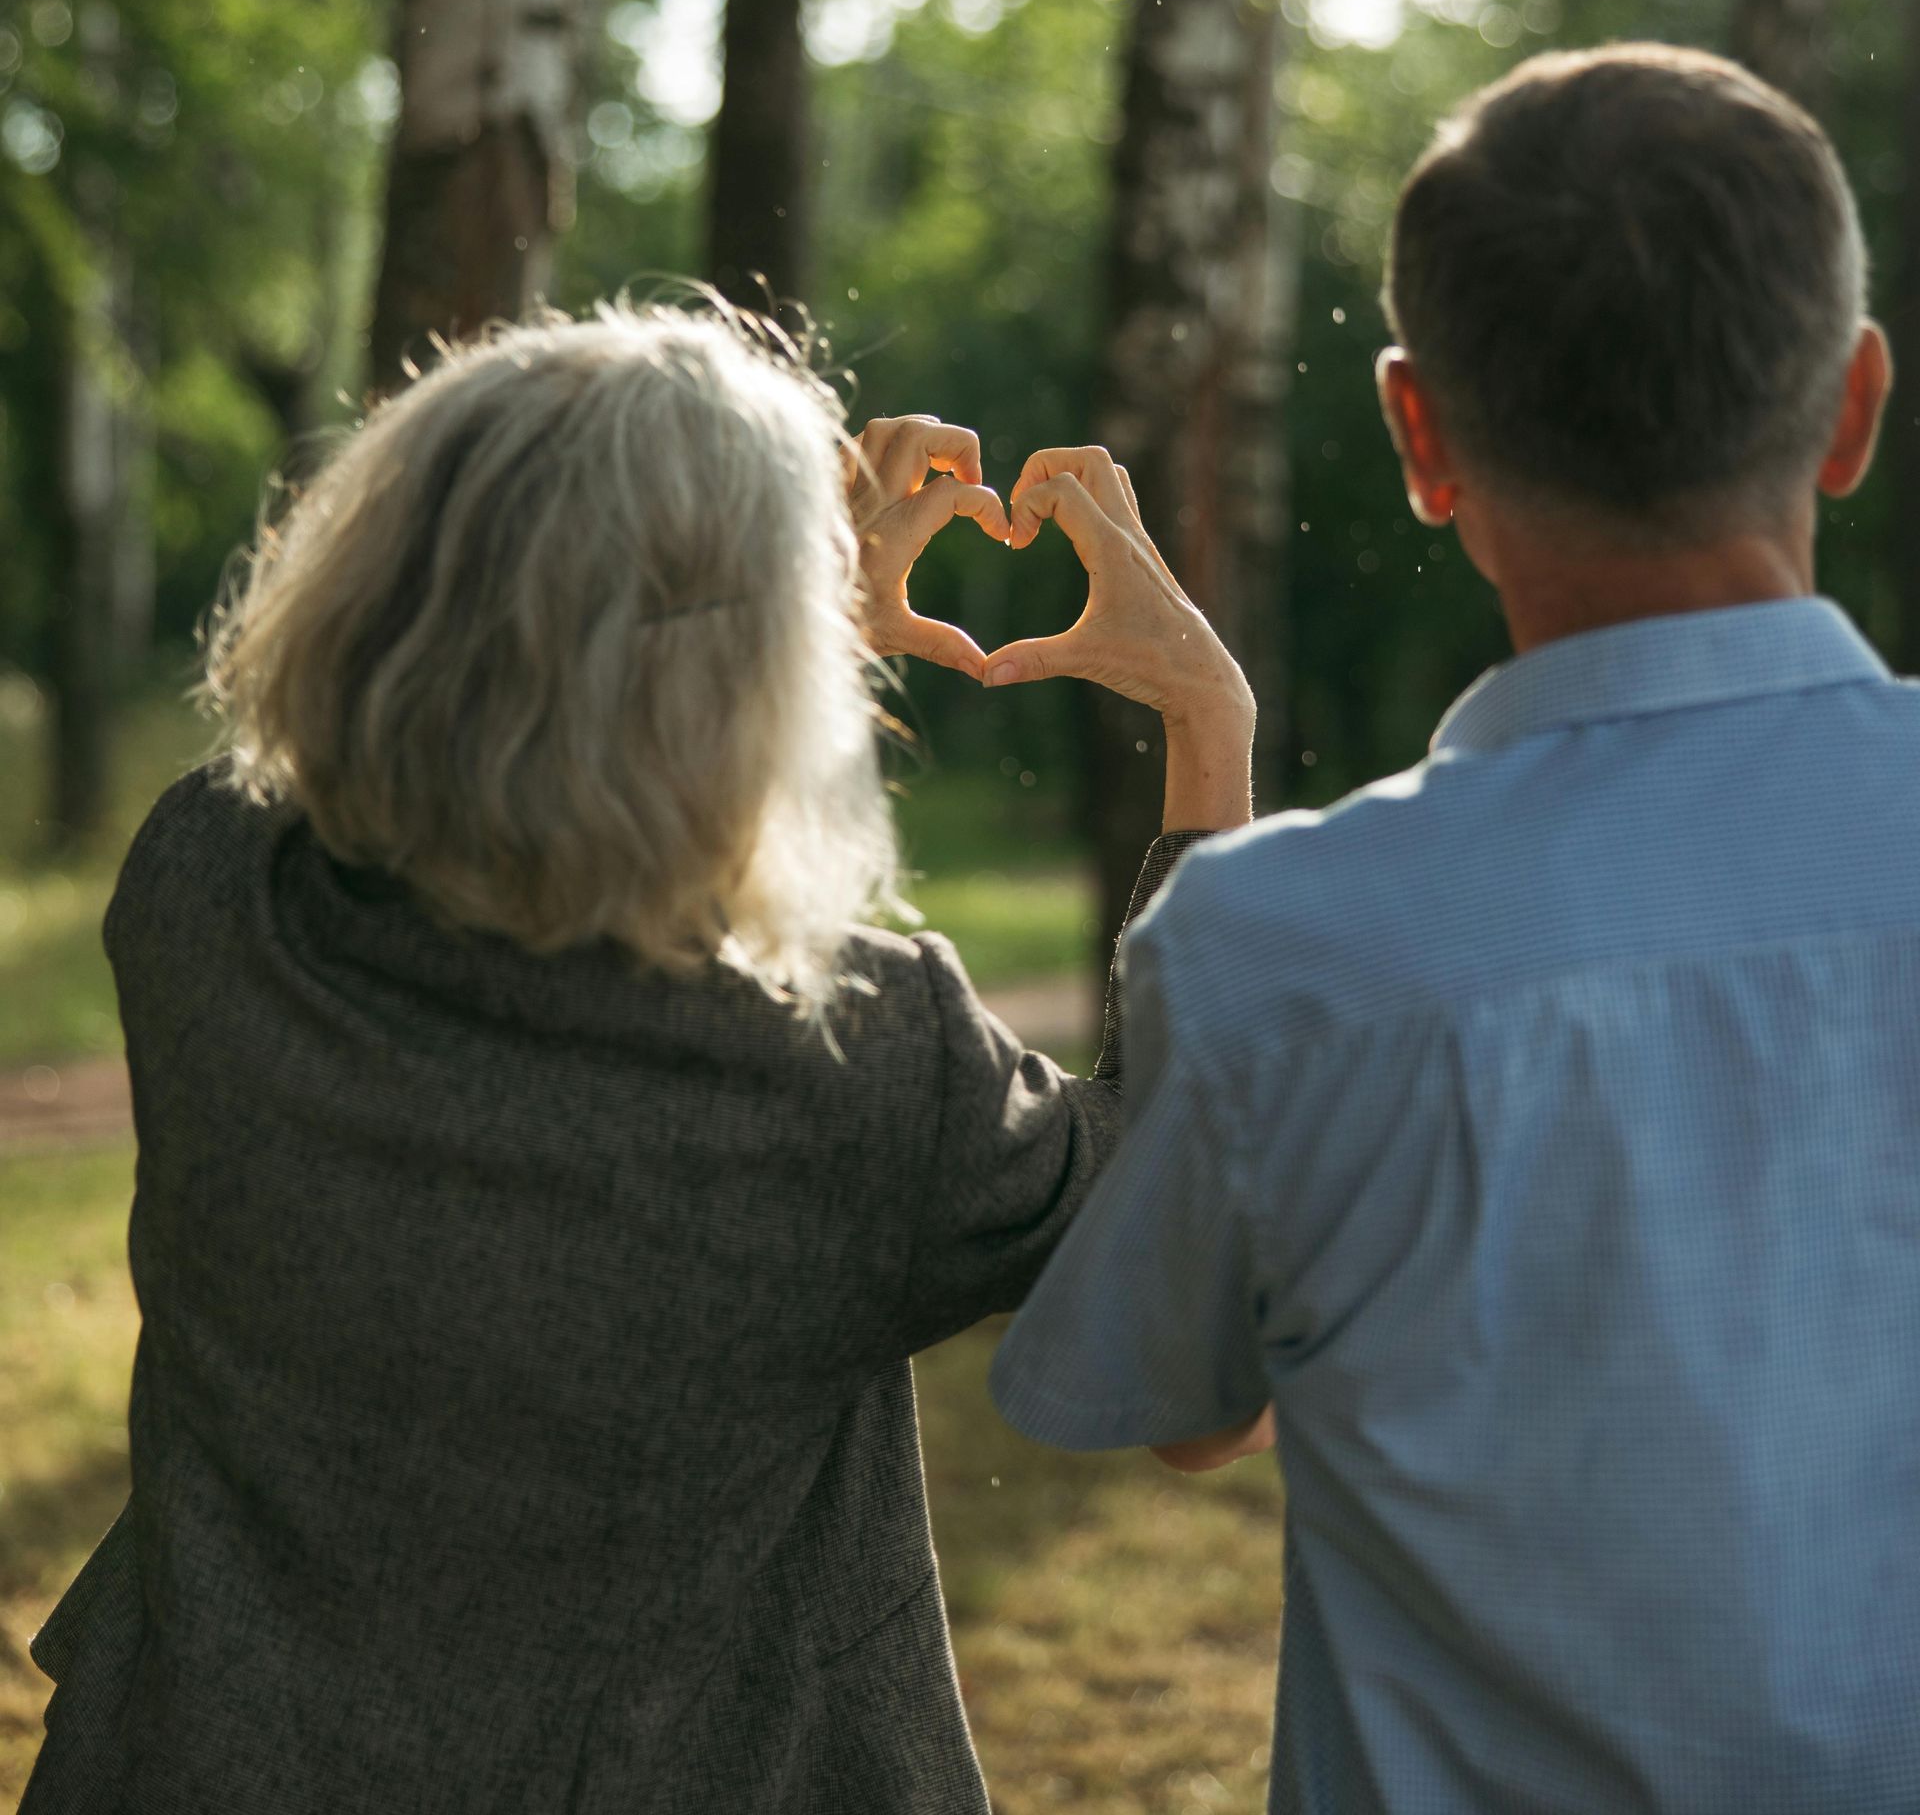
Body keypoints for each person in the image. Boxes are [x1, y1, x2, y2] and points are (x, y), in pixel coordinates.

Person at [21, 300, 1256, 1815]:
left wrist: (773, 632)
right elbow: (1207, 1377)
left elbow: (481, 796)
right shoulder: (863, 1062)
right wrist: (1208, 730)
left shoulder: (207, 891)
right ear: (753, 671)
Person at [988, 43, 1920, 1814]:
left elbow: (1197, 1404)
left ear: (1417, 435)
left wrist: (1209, 744)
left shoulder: (1287, 954)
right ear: (1855, 405)